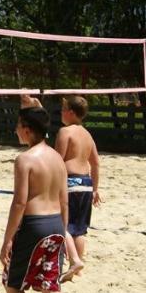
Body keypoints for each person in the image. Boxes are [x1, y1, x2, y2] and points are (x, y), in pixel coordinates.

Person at [0, 106, 70, 293]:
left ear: (27, 130)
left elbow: (19, 202)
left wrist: (7, 239)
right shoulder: (57, 158)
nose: (15, 130)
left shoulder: (25, 159)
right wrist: (63, 231)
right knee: (52, 286)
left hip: (34, 224)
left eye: (18, 125)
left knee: (12, 283)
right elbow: (64, 201)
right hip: (55, 225)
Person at [54, 96, 95, 275]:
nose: (61, 113)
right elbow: (96, 163)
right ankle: (77, 267)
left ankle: (72, 261)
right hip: (86, 183)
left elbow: (57, 161)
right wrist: (96, 188)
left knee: (63, 225)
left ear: (70, 113)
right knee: (80, 229)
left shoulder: (65, 132)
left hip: (69, 182)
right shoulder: (87, 134)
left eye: (63, 109)